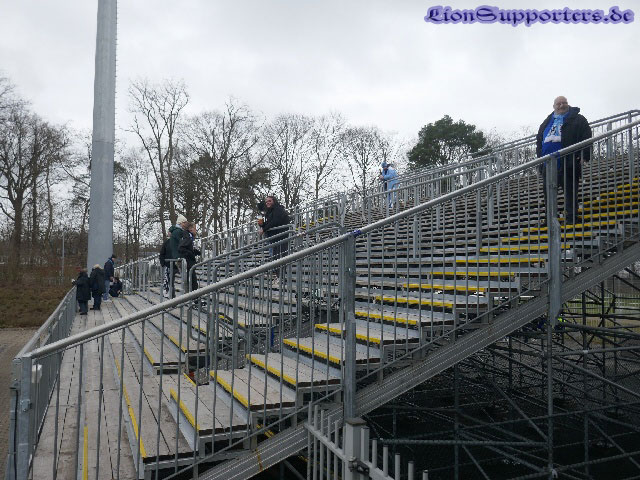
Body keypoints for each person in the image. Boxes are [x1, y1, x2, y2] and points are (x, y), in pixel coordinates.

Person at [536, 96, 592, 225]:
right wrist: (540, 159)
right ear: (554, 106)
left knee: (570, 190)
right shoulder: (546, 122)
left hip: (568, 161)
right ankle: (550, 219)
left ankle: (572, 217)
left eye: (564, 103)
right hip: (548, 164)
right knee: (548, 193)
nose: (561, 105)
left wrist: (584, 154)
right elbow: (539, 141)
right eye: (558, 104)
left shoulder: (578, 119)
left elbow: (587, 137)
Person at [257, 195, 291, 260]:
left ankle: (282, 266)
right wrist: (262, 224)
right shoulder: (269, 212)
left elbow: (275, 221)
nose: (267, 203)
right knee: (275, 257)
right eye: (266, 202)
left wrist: (264, 229)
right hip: (274, 238)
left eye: (269, 201)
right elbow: (269, 223)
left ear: (274, 201)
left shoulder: (278, 209)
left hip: (281, 236)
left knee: (281, 256)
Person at [167, 214, 189, 297]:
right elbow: (182, 244)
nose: (186, 224)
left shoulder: (174, 231)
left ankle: (173, 295)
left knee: (173, 277)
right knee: (185, 278)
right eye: (185, 222)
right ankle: (187, 296)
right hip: (179, 257)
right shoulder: (178, 232)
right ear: (181, 223)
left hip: (175, 256)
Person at [178, 222, 201, 292]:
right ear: (191, 229)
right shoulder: (188, 237)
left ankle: (193, 296)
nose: (196, 230)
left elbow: (186, 247)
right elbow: (181, 248)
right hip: (188, 263)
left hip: (188, 262)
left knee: (192, 282)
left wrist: (194, 251)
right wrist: (191, 253)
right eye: (195, 228)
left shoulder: (188, 236)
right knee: (193, 282)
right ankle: (194, 297)